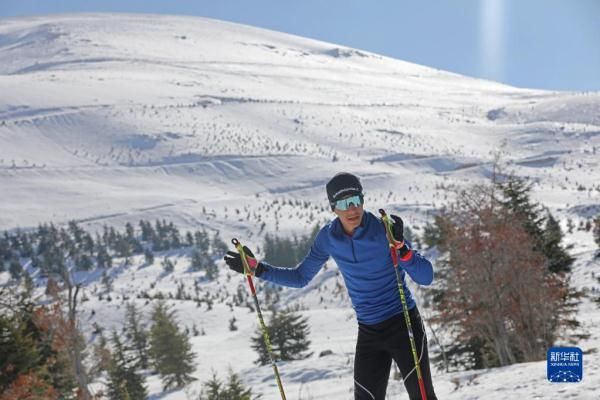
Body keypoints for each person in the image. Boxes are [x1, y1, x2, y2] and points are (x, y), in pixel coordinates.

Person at [224, 172, 438, 400]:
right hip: (369, 331)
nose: (352, 209)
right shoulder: (328, 237)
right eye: (344, 204)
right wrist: (258, 269)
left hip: (404, 324)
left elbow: (426, 277)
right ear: (333, 208)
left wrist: (402, 247)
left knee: (423, 397)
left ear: (363, 200)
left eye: (356, 201)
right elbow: (300, 277)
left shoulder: (384, 231)